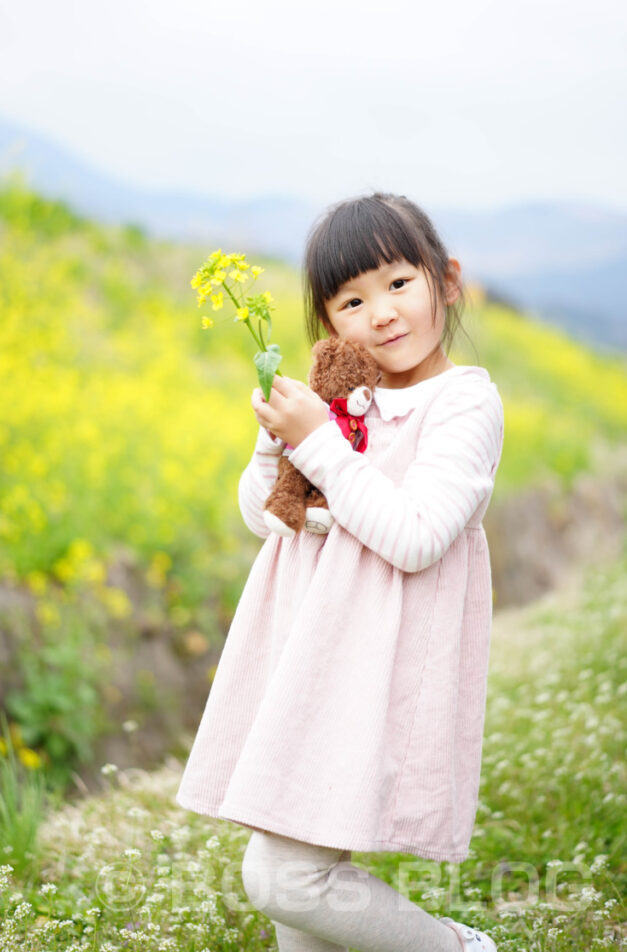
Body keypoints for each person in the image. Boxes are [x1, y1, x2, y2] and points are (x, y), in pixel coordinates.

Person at [175, 193, 505, 952]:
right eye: (352, 300)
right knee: (295, 875)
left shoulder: (462, 402)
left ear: (445, 282)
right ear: (330, 324)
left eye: (397, 284)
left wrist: (320, 442)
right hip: (314, 655)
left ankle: (458, 949)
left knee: (284, 879)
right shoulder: (343, 399)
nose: (381, 313)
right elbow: (265, 515)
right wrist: (275, 442)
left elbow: (416, 536)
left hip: (380, 666)